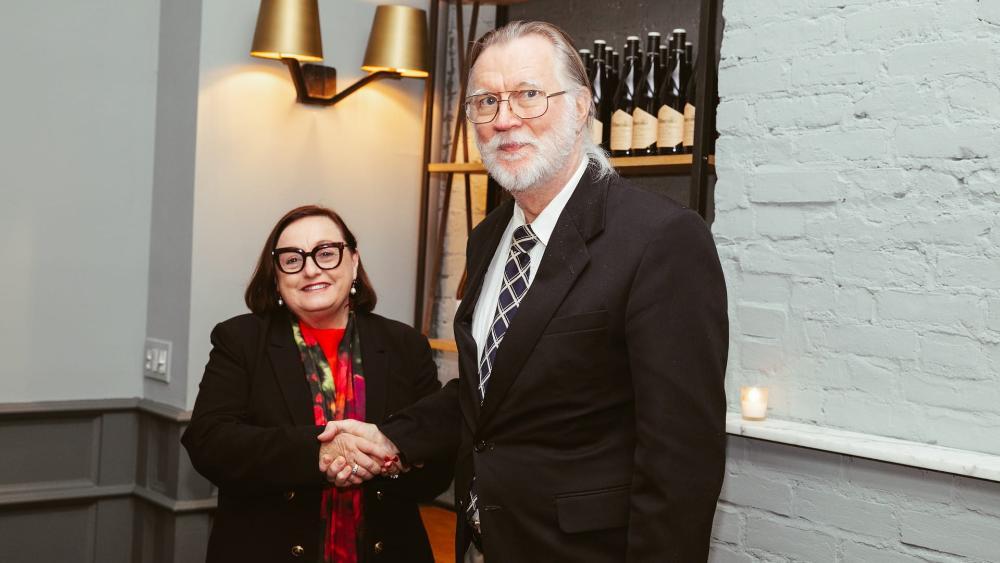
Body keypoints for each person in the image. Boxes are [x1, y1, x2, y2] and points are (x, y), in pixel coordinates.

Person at [322, 20, 728, 562]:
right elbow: (489, 394)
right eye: (485, 102)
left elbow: (681, 463)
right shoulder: (489, 235)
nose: (504, 119)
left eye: (528, 96)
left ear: (582, 106)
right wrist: (393, 437)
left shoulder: (661, 240)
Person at [181, 205, 454, 563]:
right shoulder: (240, 340)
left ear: (353, 262)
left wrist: (392, 458)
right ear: (276, 275)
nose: (311, 269)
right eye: (293, 259)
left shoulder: (405, 345)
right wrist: (319, 453)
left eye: (326, 253)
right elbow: (208, 441)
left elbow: (437, 470)